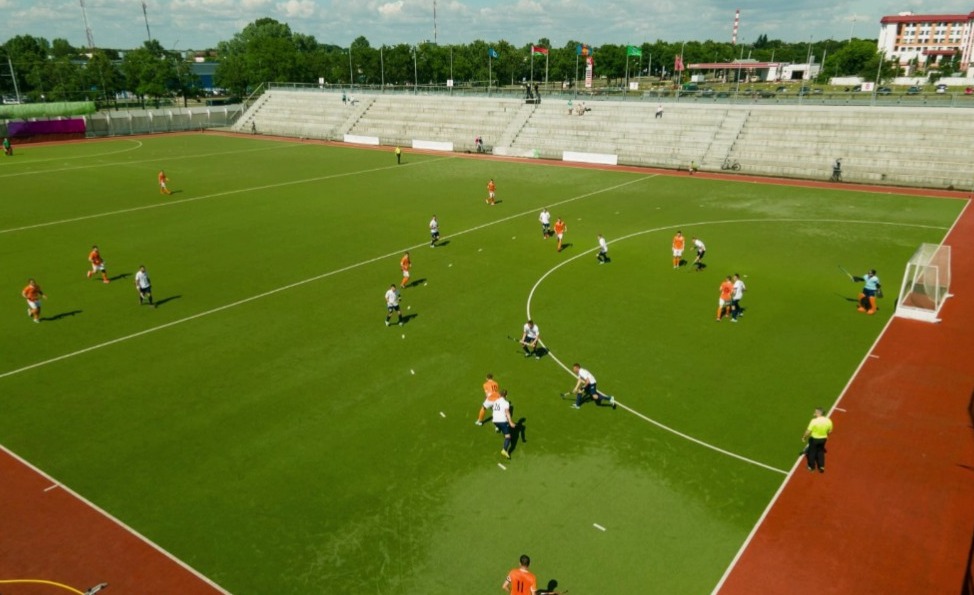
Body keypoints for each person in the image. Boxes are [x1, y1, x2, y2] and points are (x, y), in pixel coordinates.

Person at [802, 407, 833, 473]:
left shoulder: (814, 421)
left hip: (814, 439)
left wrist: (804, 437)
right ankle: (821, 466)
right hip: (823, 439)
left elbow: (808, 431)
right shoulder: (828, 421)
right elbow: (830, 431)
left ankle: (812, 467)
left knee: (811, 453)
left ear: (819, 413)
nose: (814, 413)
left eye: (815, 412)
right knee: (820, 452)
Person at [492, 390, 516, 459]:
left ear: (499, 395)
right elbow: (507, 413)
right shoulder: (506, 403)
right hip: (502, 421)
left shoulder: (495, 401)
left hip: (494, 421)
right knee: (508, 437)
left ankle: (497, 428)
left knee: (500, 425)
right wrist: (511, 422)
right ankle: (504, 450)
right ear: (506, 395)